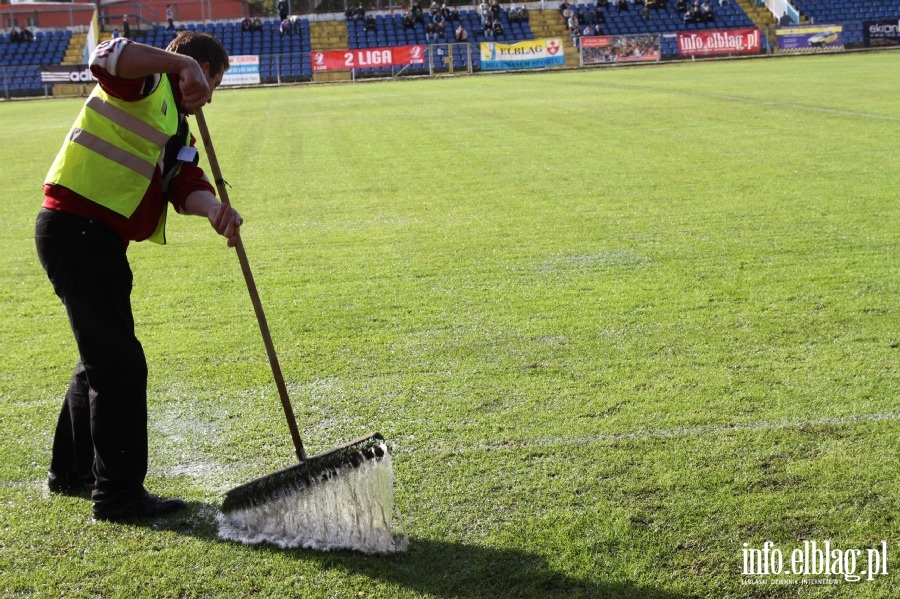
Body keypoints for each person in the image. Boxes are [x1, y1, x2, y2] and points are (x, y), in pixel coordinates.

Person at [36, 32, 241, 521]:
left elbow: (182, 181)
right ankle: (118, 495)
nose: (210, 94)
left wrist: (214, 210)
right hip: (76, 229)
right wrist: (184, 64)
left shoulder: (177, 127)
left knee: (99, 359)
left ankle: (71, 473)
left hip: (94, 238)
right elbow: (107, 55)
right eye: (213, 81)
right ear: (202, 70)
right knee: (120, 365)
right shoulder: (147, 82)